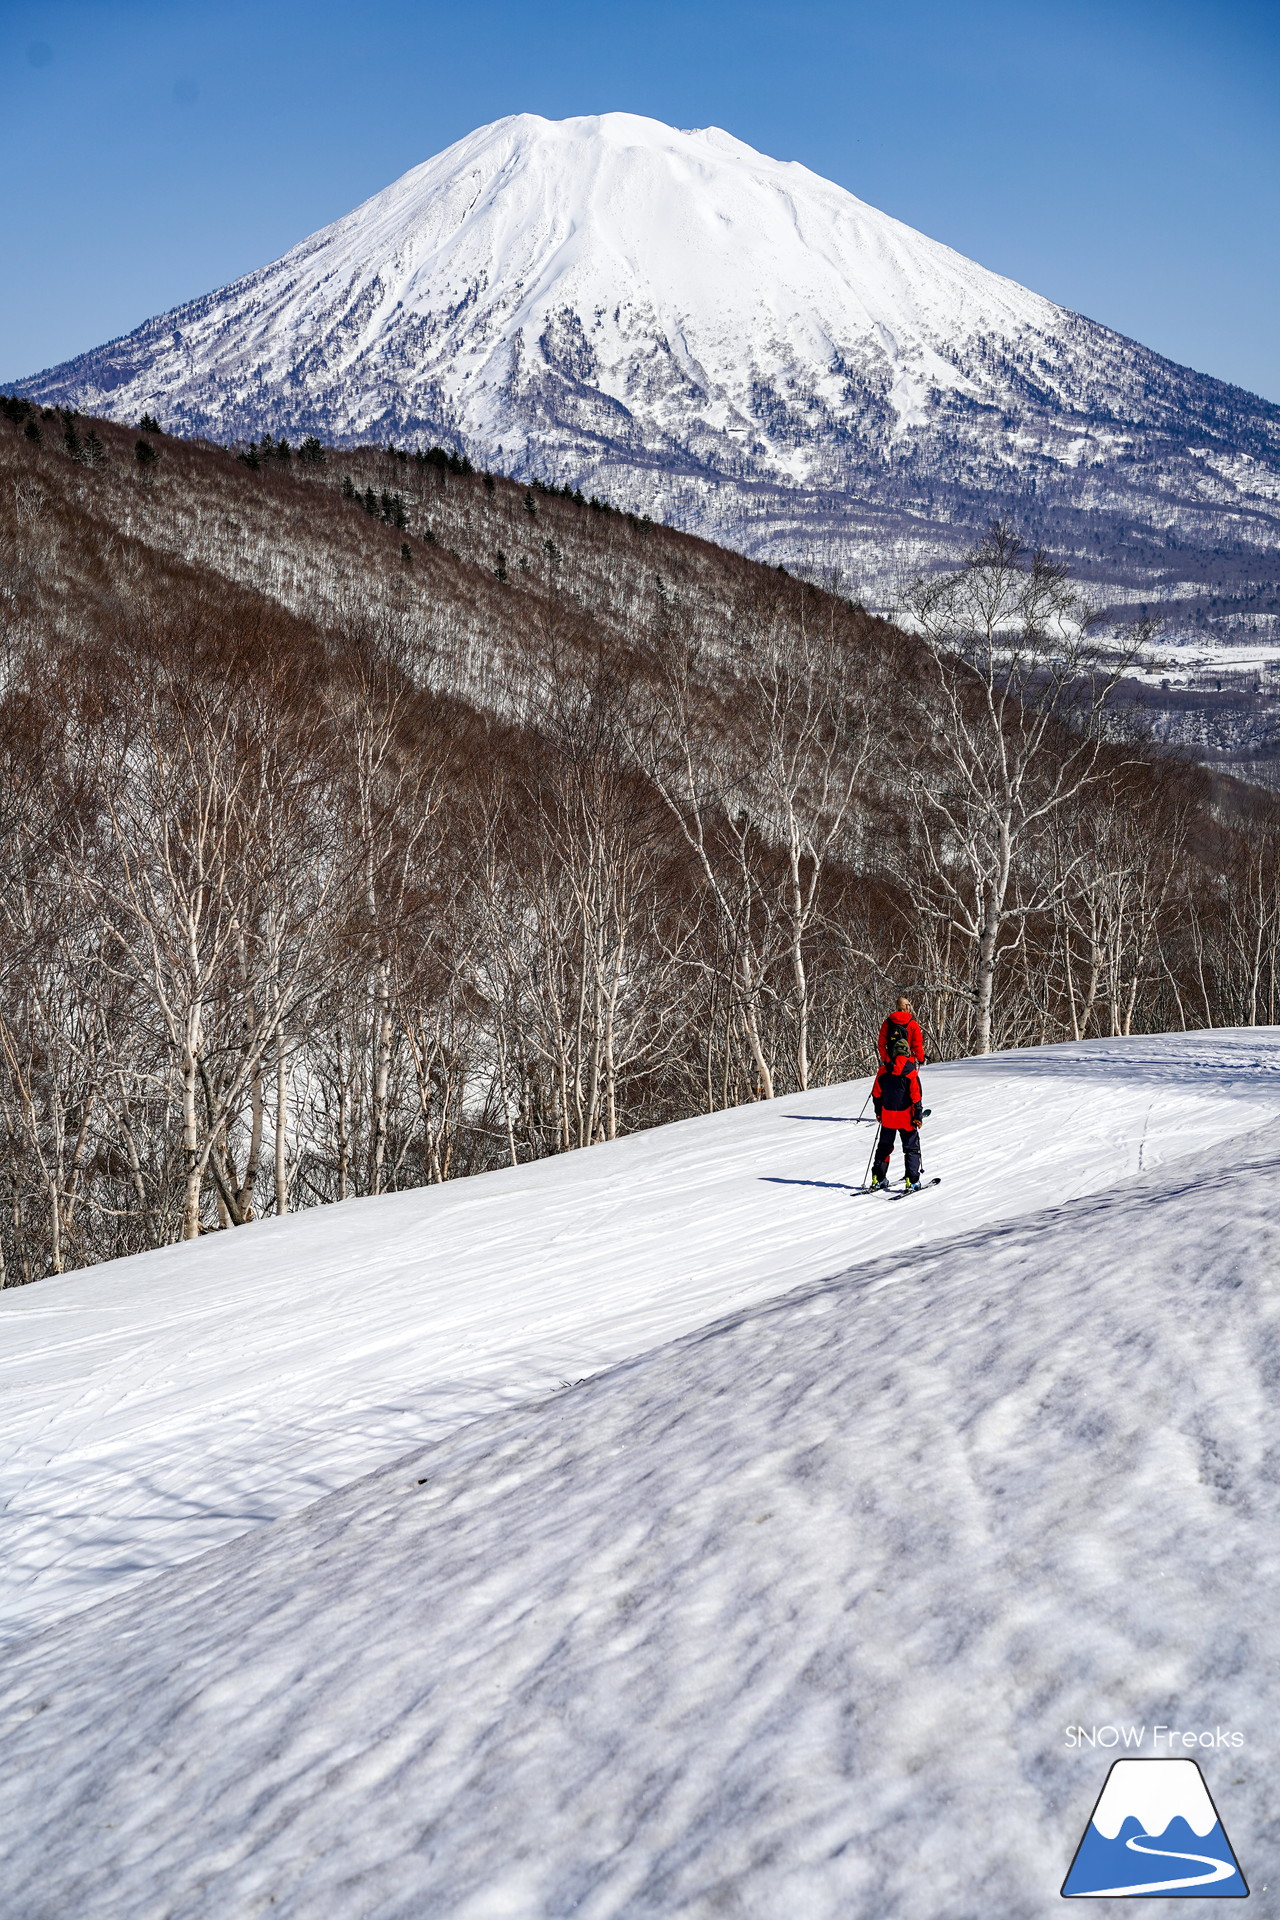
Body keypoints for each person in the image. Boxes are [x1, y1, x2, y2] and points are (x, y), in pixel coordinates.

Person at [868, 1033, 924, 1191]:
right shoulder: (911, 1074)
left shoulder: (883, 1071)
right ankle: (912, 1181)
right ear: (907, 1053)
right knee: (911, 1148)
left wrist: (879, 1113)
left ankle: (878, 1178)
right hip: (906, 1118)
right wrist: (917, 1117)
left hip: (887, 1117)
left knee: (884, 1148)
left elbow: (876, 1094)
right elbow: (916, 1098)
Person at [878, 995, 925, 1068]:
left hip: (891, 1062)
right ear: (906, 1006)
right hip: (908, 1062)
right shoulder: (912, 1024)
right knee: (912, 1079)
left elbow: (881, 1044)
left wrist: (885, 1059)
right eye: (909, 1005)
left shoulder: (887, 1023)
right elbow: (917, 1045)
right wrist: (921, 1059)